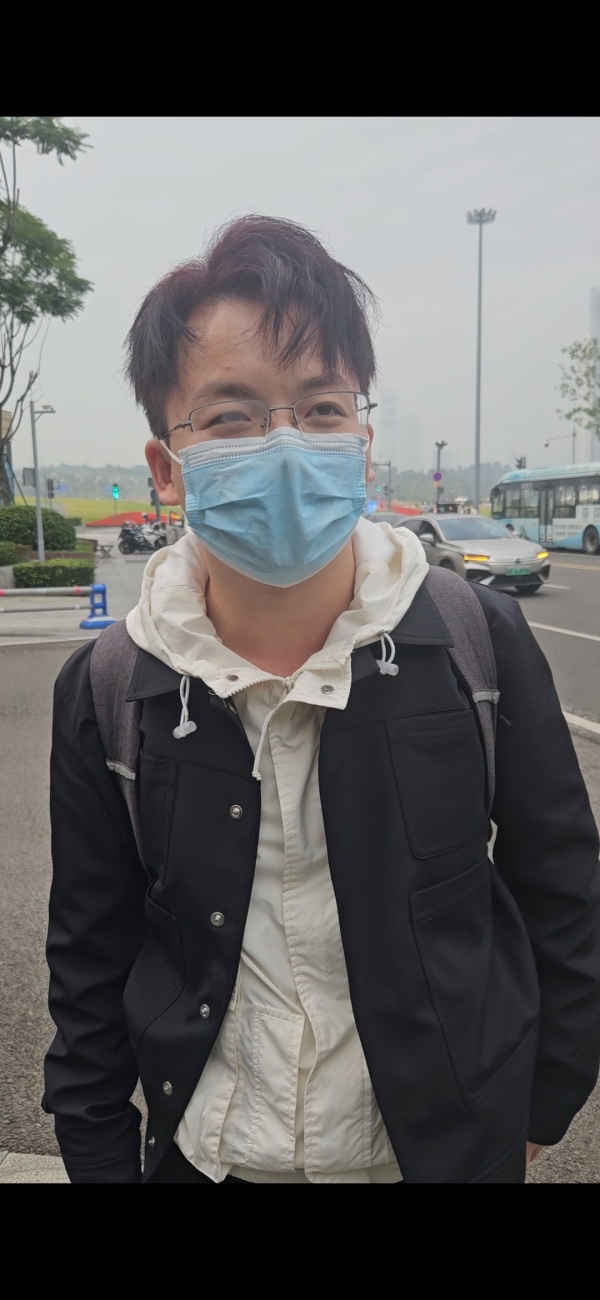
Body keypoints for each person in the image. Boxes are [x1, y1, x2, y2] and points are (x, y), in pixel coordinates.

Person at [43, 214, 600, 1184]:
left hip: (439, 1158)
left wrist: (538, 1106)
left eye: (322, 407)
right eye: (232, 416)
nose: (288, 445)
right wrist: (98, 1154)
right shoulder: (113, 685)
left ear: (363, 442)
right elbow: (89, 956)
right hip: (212, 1158)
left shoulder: (473, 641)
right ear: (167, 467)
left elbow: (565, 893)